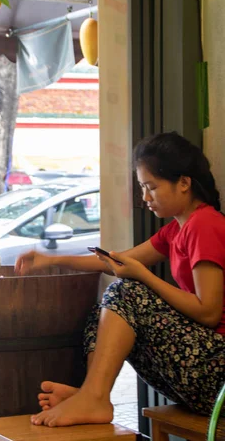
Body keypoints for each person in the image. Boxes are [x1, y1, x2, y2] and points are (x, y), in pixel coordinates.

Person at [15, 131, 225, 428]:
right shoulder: (176, 230)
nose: (145, 198)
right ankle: (92, 393)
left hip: (218, 374)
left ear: (184, 182)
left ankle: (94, 396)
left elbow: (209, 312)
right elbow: (116, 261)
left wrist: (143, 276)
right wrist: (52, 259)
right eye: (143, 188)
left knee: (127, 293)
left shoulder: (204, 224)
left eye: (151, 187)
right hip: (199, 369)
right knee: (102, 312)